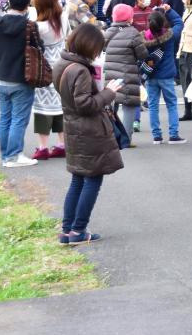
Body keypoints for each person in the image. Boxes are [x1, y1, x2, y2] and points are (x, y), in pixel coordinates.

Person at [55, 23, 124, 244]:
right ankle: (79, 229)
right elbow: (85, 104)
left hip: (73, 128)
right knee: (92, 179)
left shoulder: (62, 64)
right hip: (89, 130)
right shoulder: (81, 70)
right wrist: (108, 93)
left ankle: (68, 230)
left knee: (78, 179)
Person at [0, 0, 38, 167]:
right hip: (22, 78)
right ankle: (14, 156)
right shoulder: (29, 26)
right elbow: (39, 50)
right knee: (18, 119)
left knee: (5, 118)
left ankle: (5, 155)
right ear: (26, 5)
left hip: (1, 77)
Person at [31, 0, 69, 161]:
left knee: (43, 109)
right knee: (61, 106)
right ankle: (62, 144)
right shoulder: (63, 18)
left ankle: (43, 147)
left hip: (44, 70)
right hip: (62, 67)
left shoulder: (38, 26)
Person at [103, 4, 149, 144]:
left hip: (110, 75)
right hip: (128, 74)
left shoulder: (108, 32)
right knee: (129, 105)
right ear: (130, 17)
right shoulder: (133, 32)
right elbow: (142, 54)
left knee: (111, 105)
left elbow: (103, 48)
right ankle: (126, 138)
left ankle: (111, 136)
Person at [144, 8, 186, 144]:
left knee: (153, 105)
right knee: (172, 104)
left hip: (151, 75)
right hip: (167, 75)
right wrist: (169, 10)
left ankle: (157, 136)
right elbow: (179, 23)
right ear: (163, 23)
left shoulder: (143, 38)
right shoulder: (170, 35)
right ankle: (173, 135)